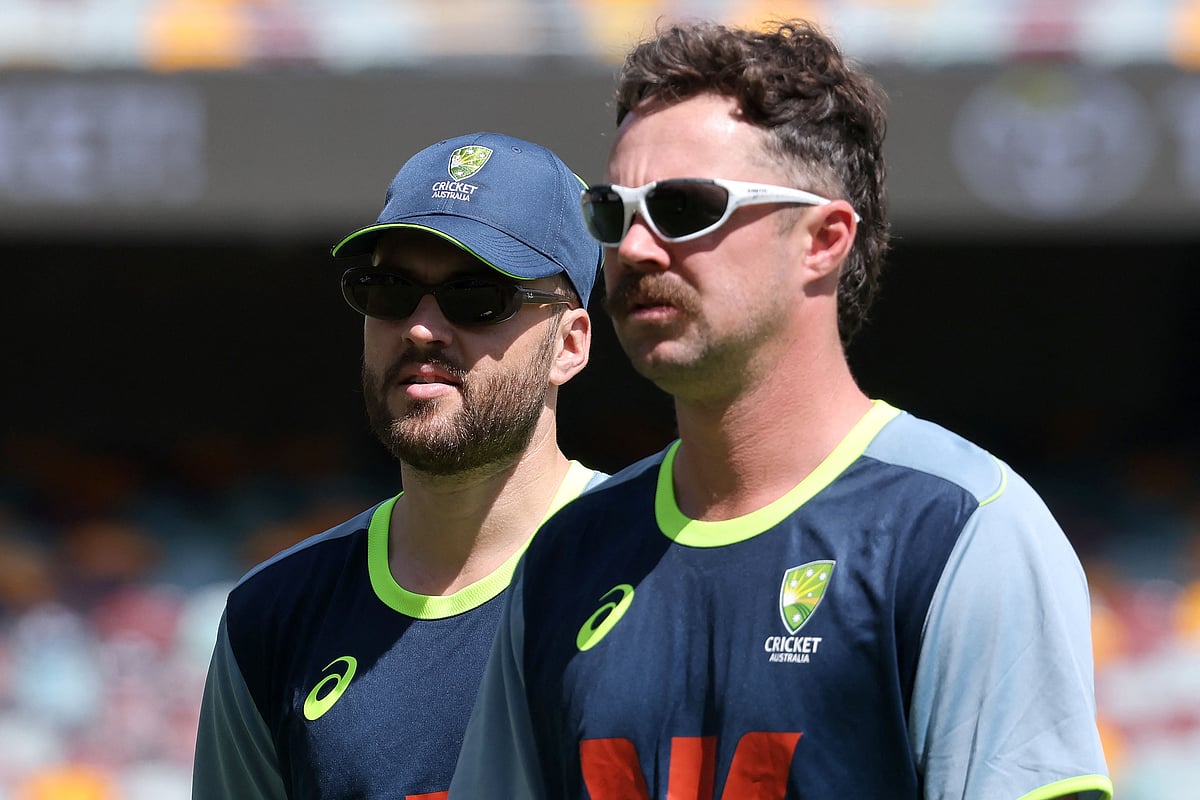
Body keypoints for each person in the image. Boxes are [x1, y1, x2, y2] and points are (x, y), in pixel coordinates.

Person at [449, 21, 1112, 800]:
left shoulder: (963, 528)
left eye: (683, 206)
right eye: (613, 211)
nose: (636, 248)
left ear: (824, 239)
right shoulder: (563, 560)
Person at [192, 131, 607, 799]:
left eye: (478, 295)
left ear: (570, 344)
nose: (420, 327)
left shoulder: (654, 570)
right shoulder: (271, 615)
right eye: (388, 290)